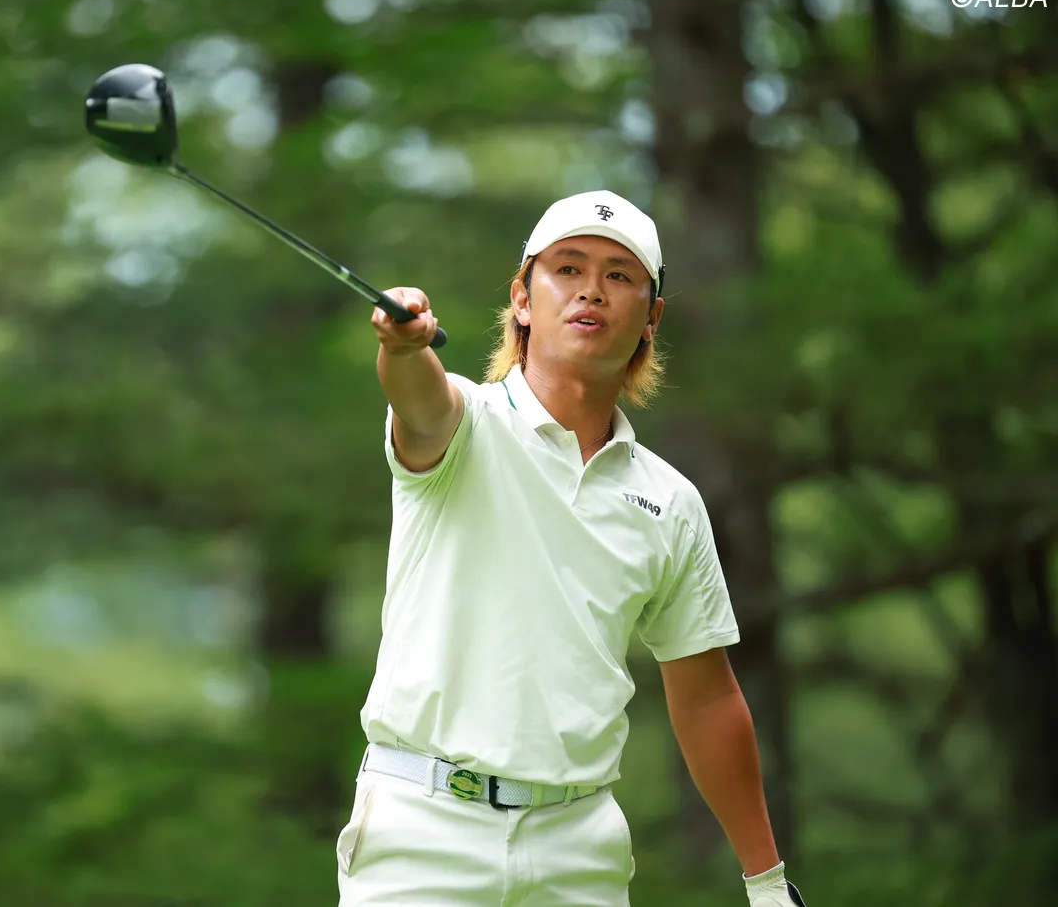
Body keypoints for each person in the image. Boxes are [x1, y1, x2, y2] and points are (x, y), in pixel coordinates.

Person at [336, 191, 806, 907]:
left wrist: (766, 883)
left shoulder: (669, 501)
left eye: (619, 275)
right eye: (568, 268)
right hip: (422, 836)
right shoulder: (466, 423)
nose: (592, 289)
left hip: (579, 849)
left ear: (651, 317)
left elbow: (708, 698)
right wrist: (403, 348)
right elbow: (420, 401)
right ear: (523, 299)